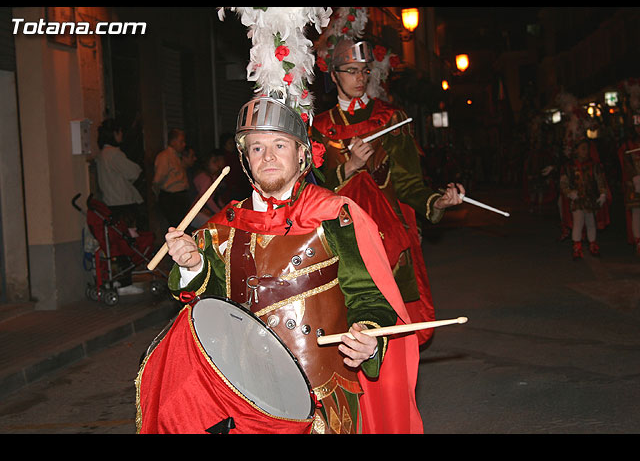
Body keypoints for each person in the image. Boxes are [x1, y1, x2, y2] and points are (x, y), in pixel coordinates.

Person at [135, 96, 424, 434]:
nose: (268, 156)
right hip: (250, 391)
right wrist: (192, 264)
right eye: (257, 148)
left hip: (325, 390)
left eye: (280, 145)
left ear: (302, 153)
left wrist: (368, 335)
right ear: (245, 159)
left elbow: (369, 296)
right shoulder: (223, 226)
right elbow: (210, 308)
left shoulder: (333, 215)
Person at [311, 37, 464, 345]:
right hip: (344, 238)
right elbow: (314, 191)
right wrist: (349, 167)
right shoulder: (320, 127)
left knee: (394, 325)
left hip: (389, 237)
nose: (359, 78)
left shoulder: (390, 118)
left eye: (364, 70)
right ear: (334, 75)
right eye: (351, 70)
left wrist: (437, 201)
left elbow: (409, 182)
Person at [94, 118, 145, 295]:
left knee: (116, 245)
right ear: (115, 133)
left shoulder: (101, 154)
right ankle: (125, 281)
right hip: (124, 204)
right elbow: (134, 171)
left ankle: (119, 280)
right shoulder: (114, 153)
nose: (122, 135)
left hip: (111, 204)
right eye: (120, 132)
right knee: (128, 243)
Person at [559, 138, 609, 259]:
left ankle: (592, 244)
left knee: (591, 222)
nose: (585, 151)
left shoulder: (593, 165)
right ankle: (577, 247)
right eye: (583, 149)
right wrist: (569, 193)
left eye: (587, 149)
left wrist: (603, 194)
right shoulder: (569, 166)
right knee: (578, 222)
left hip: (590, 199)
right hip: (577, 200)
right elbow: (563, 183)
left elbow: (600, 180)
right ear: (576, 150)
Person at [152, 128, 190, 228]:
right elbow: (157, 179)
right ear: (173, 142)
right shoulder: (164, 156)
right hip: (171, 198)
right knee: (176, 227)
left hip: (180, 196)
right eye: (181, 141)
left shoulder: (177, 156)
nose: (184, 144)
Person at [188, 148, 228, 230]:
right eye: (214, 162)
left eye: (217, 161)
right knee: (215, 226)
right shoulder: (204, 177)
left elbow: (216, 198)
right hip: (193, 213)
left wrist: (223, 209)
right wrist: (219, 212)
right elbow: (206, 199)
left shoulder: (213, 177)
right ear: (207, 163)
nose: (217, 164)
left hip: (204, 210)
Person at [618, 117, 640, 255]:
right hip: (634, 183)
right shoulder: (627, 146)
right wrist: (633, 178)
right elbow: (625, 164)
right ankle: (638, 242)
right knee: (636, 212)